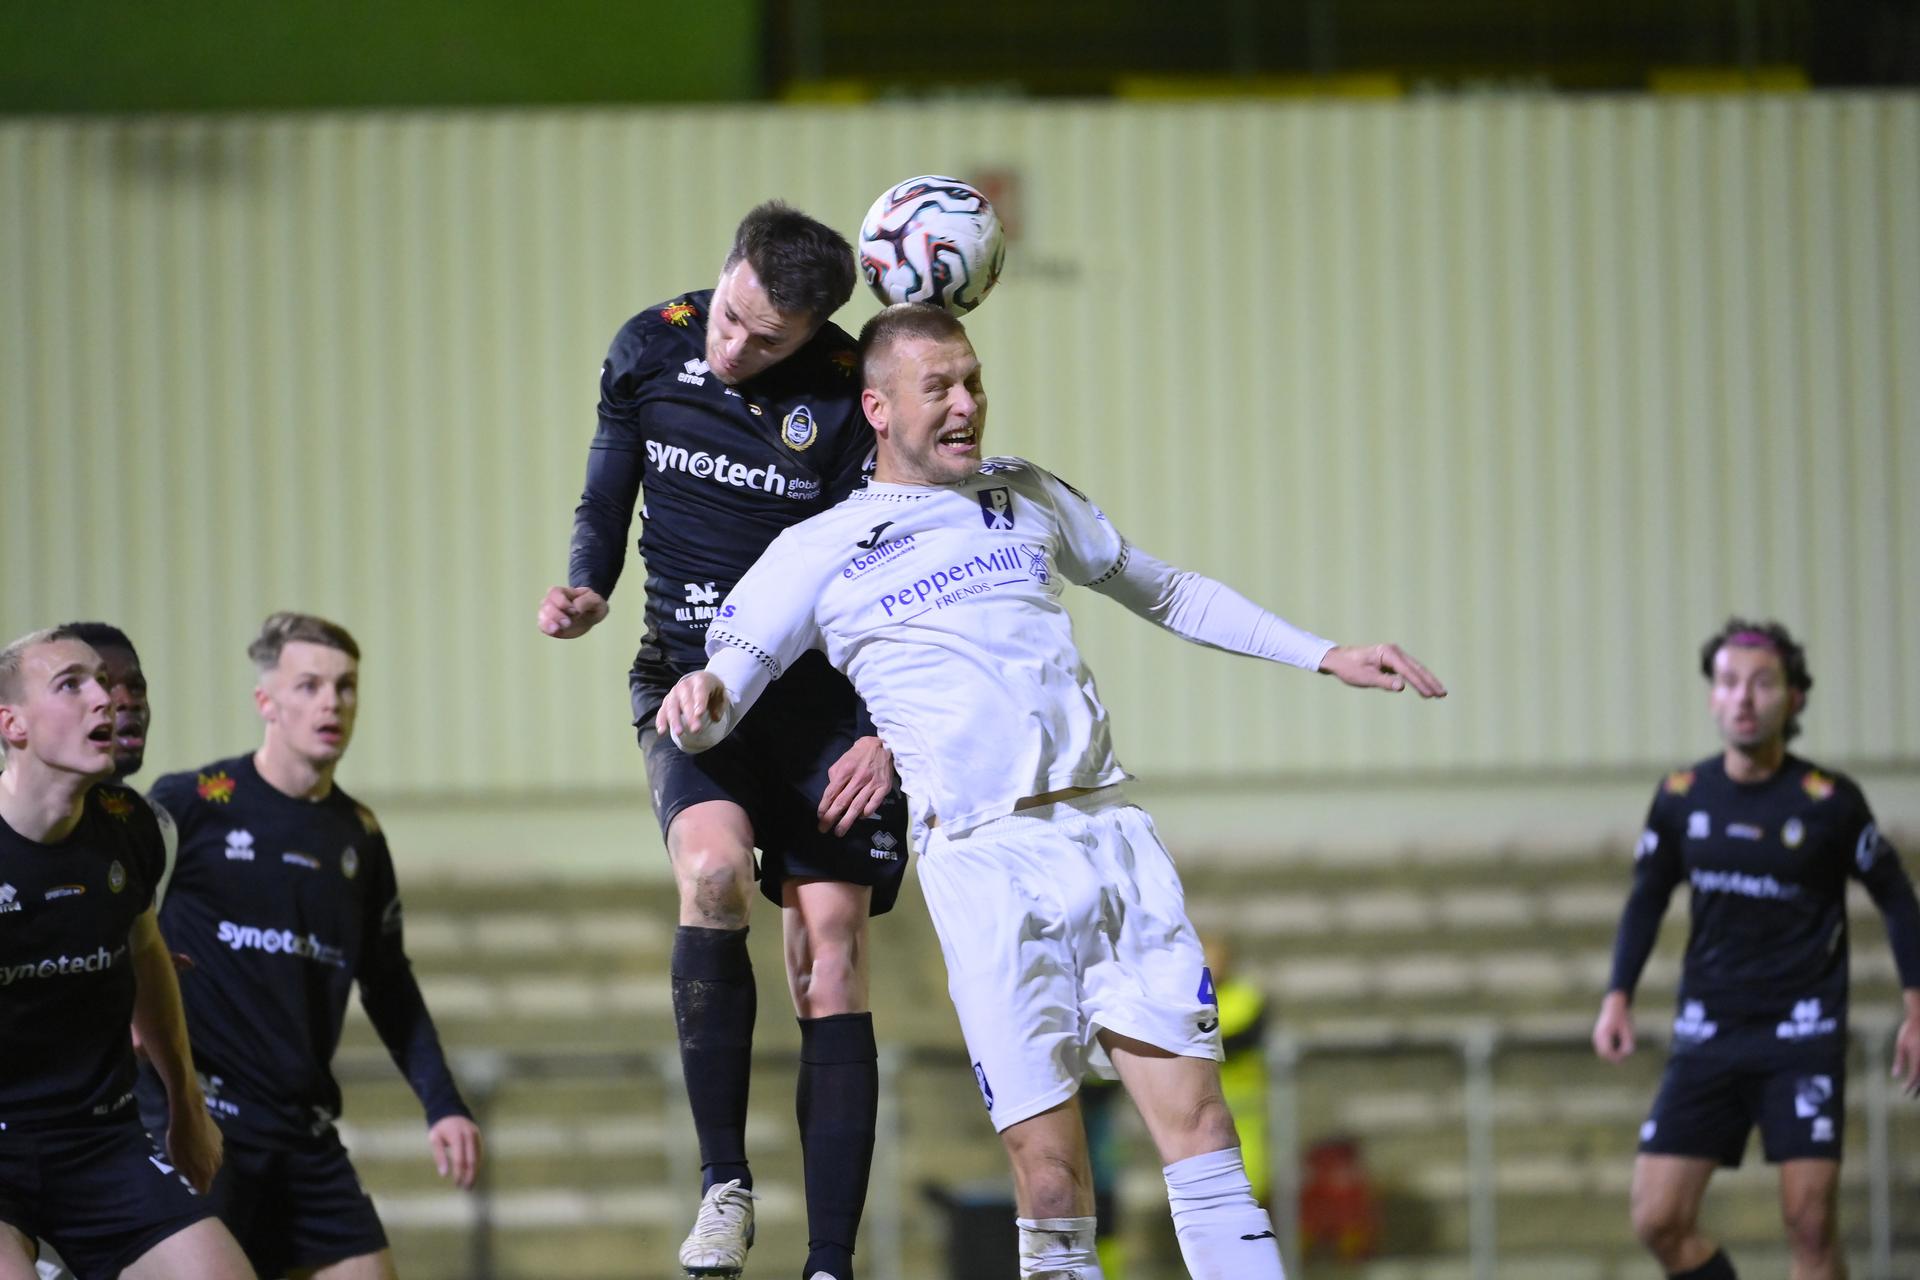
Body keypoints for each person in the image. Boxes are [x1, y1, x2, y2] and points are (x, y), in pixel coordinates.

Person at [657, 303, 1448, 1280]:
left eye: (973, 380)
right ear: (877, 405)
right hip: (984, 866)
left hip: (1108, 833)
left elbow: (1164, 587)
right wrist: (699, 707)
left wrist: (1323, 651)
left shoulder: (1025, 493)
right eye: (938, 387)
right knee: (1048, 1182)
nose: (966, 403)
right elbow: (728, 679)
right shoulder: (821, 548)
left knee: (1201, 1126)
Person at [536, 201, 908, 1280]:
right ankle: (723, 1187)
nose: (732, 345)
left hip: (824, 707)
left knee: (830, 952)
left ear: (815, 336)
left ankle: (829, 1258)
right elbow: (608, 484)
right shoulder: (651, 343)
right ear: (727, 271)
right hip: (687, 689)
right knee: (709, 871)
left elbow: (880, 574)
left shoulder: (849, 395)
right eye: (731, 314)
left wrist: (883, 726)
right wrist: (589, 585)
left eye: (765, 339)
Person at [137, 612, 482, 1280]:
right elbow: (115, 921)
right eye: (309, 686)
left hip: (306, 1133)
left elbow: (389, 981)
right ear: (266, 701)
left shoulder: (359, 836)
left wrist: (443, 1103)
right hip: (203, 1123)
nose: (332, 702)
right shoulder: (195, 804)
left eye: (346, 687)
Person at [1593, 618, 1920, 1280]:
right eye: (1729, 683)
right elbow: (1646, 897)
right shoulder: (1683, 798)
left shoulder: (1829, 802)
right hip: (1708, 1032)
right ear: (1713, 697)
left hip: (1802, 1037)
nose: (1744, 697)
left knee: (1808, 1222)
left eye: (1762, 683)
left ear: (1793, 698)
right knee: (1657, 1218)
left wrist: (1918, 1006)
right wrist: (1617, 994)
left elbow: (1895, 897)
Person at [0, 627, 253, 1280]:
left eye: (105, 681)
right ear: (13, 724)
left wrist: (187, 1110)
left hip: (100, 1141)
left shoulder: (130, 826)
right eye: (72, 684)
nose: (105, 698)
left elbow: (147, 955)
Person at [32, 625, 177, 1280]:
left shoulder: (145, 825)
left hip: (118, 1109)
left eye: (133, 685)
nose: (122, 701)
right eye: (93, 685)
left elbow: (145, 951)